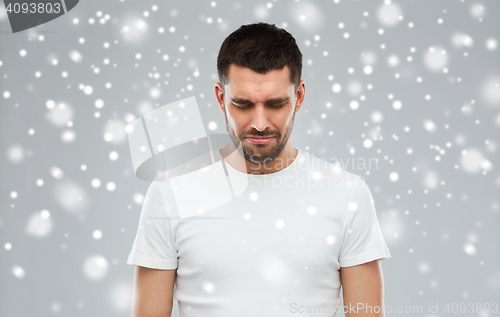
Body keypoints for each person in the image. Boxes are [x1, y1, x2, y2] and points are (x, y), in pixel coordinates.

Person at [127, 22, 391, 317]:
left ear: (299, 97)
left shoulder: (347, 194)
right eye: (242, 104)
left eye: (276, 104)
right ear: (220, 98)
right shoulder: (171, 193)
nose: (260, 123)